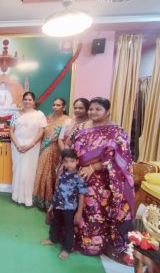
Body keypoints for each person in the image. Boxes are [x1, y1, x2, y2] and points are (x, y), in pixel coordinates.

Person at [70, 97, 134, 259]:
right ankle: (77, 240)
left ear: (107, 112)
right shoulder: (80, 128)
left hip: (103, 180)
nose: (93, 112)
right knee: (78, 208)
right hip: (79, 175)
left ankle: (95, 244)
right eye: (91, 109)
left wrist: (92, 167)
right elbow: (72, 151)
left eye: (98, 109)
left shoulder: (116, 132)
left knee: (96, 210)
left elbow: (119, 159)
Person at [41, 149, 88, 260]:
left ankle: (67, 249)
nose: (69, 164)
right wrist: (52, 205)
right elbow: (57, 190)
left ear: (76, 161)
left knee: (68, 228)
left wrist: (79, 212)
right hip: (58, 205)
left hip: (70, 208)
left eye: (71, 161)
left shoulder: (79, 177)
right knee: (55, 223)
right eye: (66, 161)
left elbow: (82, 194)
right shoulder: (62, 174)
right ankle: (53, 239)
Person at [10, 92, 47, 206]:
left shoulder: (39, 114)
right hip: (17, 145)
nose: (27, 101)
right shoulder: (16, 114)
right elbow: (11, 131)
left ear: (33, 101)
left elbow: (41, 131)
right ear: (22, 100)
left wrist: (30, 145)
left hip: (32, 146)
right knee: (18, 170)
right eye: (25, 99)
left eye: (30, 99)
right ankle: (16, 196)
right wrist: (17, 145)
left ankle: (27, 198)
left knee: (29, 172)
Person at [33, 98, 70, 210]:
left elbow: (66, 138)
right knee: (42, 171)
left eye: (58, 105)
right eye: (54, 105)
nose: (55, 107)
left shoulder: (67, 120)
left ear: (64, 107)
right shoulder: (48, 118)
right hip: (43, 147)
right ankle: (41, 200)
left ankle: (51, 202)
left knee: (52, 173)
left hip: (56, 149)